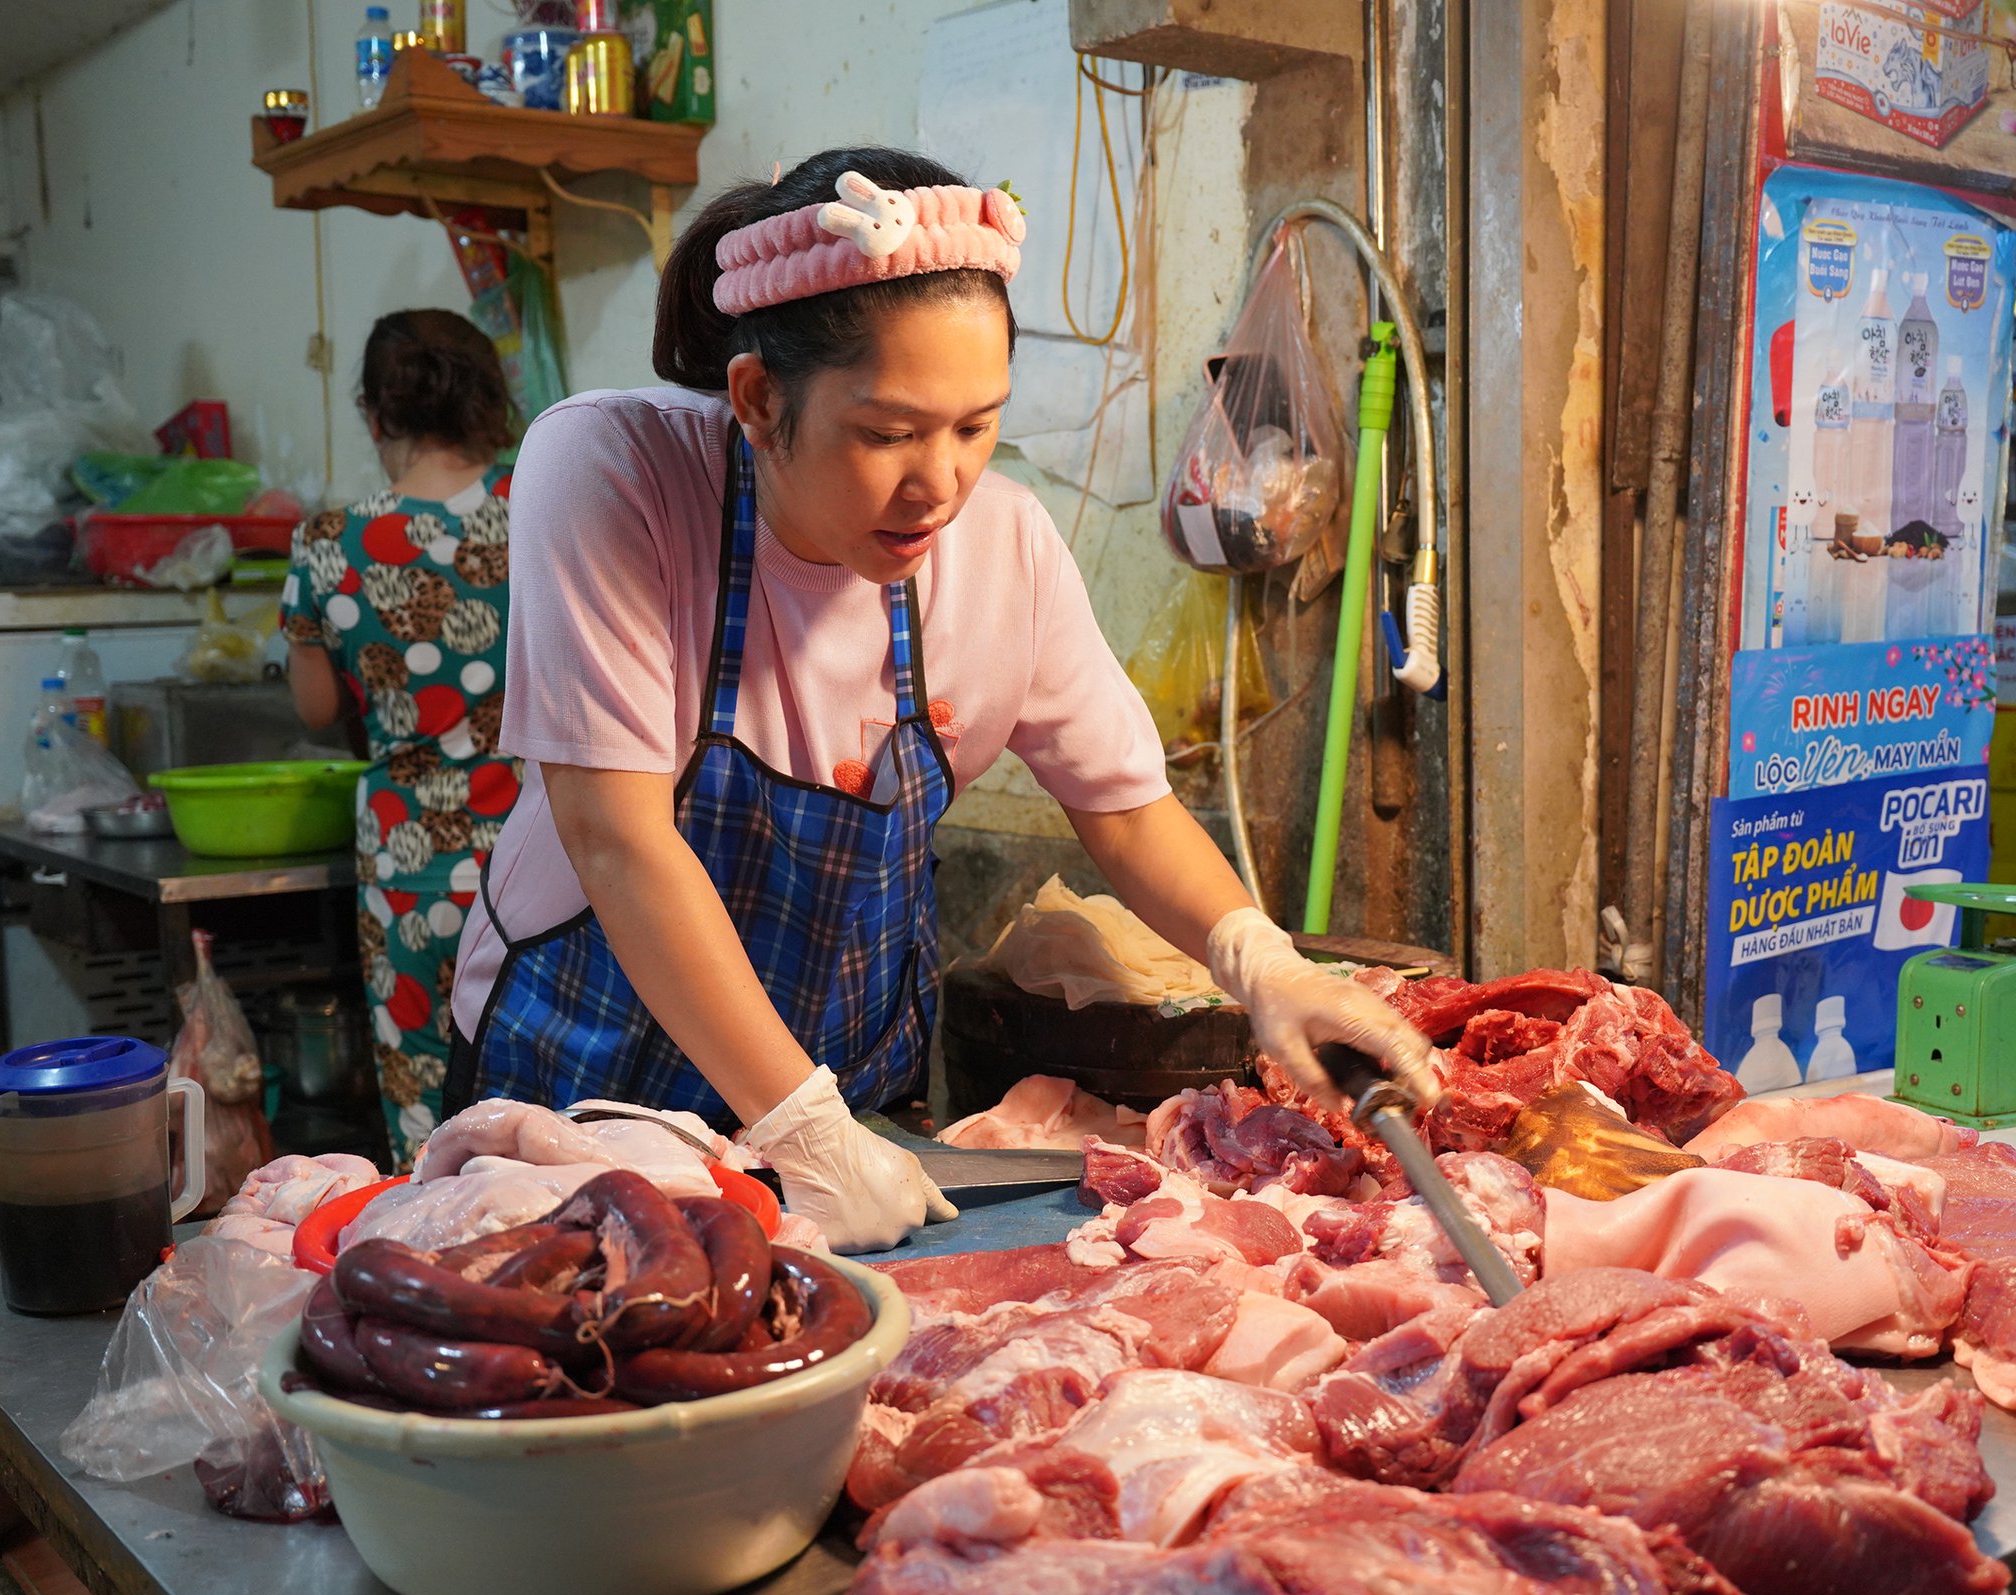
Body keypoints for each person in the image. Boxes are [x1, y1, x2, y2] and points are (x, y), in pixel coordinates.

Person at [445, 146, 1436, 1252]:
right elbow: (617, 837)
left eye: (976, 426)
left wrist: (1264, 965)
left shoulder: (1001, 544)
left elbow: (1124, 807)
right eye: (887, 434)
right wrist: (798, 1125)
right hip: (588, 1085)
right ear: (759, 398)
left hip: (848, 1102)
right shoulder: (615, 470)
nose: (940, 485)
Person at [283, 309, 520, 1165]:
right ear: (488, 404)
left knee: (426, 1085)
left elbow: (315, 710)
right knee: (549, 1080)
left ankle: (439, 1263)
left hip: (408, 854)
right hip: (549, 842)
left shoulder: (328, 545)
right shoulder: (540, 507)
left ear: (375, 416)